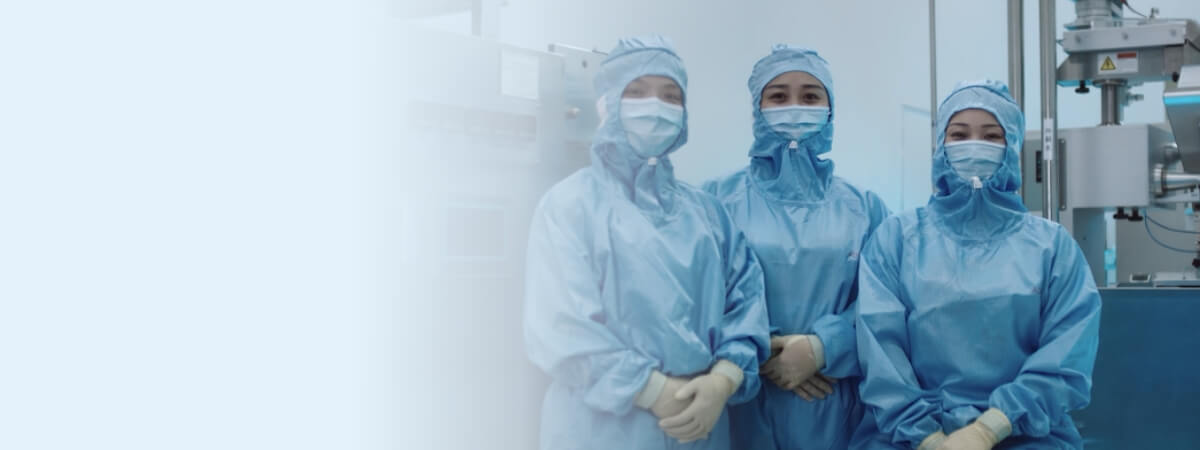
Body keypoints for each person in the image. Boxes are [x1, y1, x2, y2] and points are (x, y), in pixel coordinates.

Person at [523, 35, 771, 450]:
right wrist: (652, 390)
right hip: (602, 431)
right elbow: (561, 328)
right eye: (637, 92)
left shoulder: (708, 214)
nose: (655, 106)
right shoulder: (569, 207)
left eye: (670, 96)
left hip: (701, 429)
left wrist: (724, 379)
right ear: (607, 104)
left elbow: (746, 303)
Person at [854, 80, 1102, 449]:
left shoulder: (1051, 247)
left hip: (1026, 435)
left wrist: (991, 427)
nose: (974, 145)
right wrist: (927, 438)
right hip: (907, 437)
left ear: (1011, 146)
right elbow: (881, 350)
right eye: (959, 134)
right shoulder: (897, 239)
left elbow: (1067, 352)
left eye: (991, 136)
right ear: (940, 145)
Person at [702, 45, 890, 449]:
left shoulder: (864, 208)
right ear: (757, 107)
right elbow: (698, 297)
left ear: (830, 108)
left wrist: (824, 347)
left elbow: (887, 304)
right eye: (778, 96)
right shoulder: (715, 201)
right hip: (740, 398)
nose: (794, 107)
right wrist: (759, 352)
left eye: (810, 96)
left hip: (834, 402)